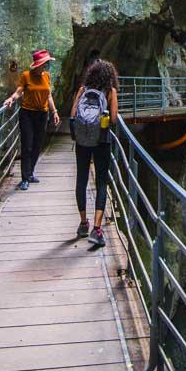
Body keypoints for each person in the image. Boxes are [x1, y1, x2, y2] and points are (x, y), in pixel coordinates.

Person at [70, 58, 118, 247]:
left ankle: (83, 223)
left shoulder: (83, 90)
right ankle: (96, 229)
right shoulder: (110, 92)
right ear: (110, 76)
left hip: (82, 141)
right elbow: (113, 119)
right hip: (102, 141)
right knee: (100, 181)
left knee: (81, 179)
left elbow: (73, 114)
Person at [4, 49, 60, 190]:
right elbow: (19, 91)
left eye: (46, 63)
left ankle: (30, 174)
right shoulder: (26, 76)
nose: (46, 66)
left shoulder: (47, 76)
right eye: (44, 63)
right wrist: (11, 98)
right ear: (38, 64)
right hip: (27, 114)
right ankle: (24, 178)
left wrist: (54, 112)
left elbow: (49, 96)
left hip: (42, 114)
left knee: (37, 145)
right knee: (27, 145)